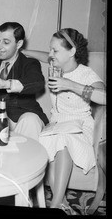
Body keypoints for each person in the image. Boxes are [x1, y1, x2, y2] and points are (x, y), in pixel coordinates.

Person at [36, 28, 106, 213]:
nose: (51, 55)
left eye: (55, 50)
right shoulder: (55, 66)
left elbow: (104, 97)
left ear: (72, 51)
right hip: (56, 124)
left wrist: (70, 85)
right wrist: (23, 51)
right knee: (52, 139)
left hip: (80, 127)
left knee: (62, 141)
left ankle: (55, 204)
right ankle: (62, 202)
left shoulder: (86, 74)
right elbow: (45, 56)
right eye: (50, 50)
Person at [0, 22, 48, 140]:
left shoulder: (30, 64)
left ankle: (27, 158)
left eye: (6, 42)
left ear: (19, 43)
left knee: (30, 120)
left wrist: (5, 84)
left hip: (23, 119)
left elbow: (37, 83)